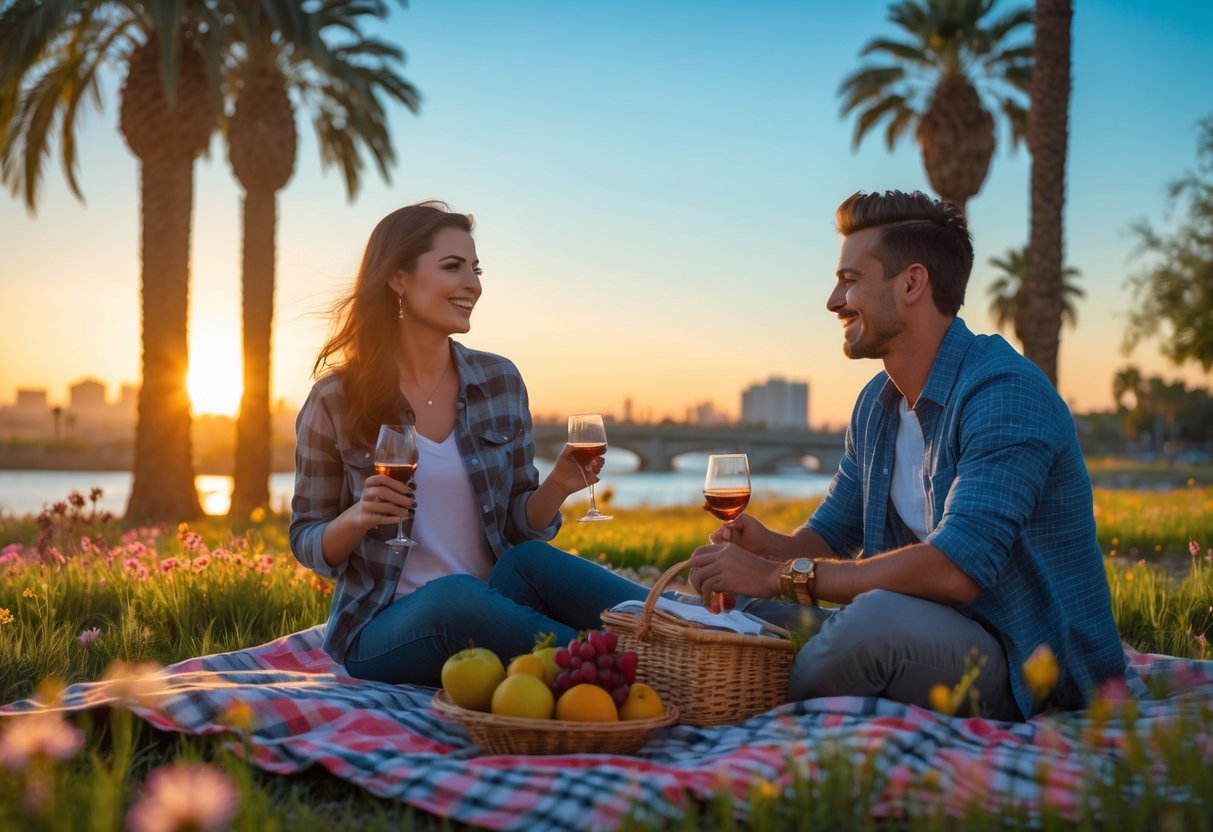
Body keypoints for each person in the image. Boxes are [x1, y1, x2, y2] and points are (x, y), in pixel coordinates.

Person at [687, 189, 1125, 721]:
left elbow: (954, 570)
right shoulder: (877, 404)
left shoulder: (1005, 392)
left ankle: (730, 700)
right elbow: (829, 538)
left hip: (1026, 661)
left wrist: (779, 576)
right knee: (735, 606)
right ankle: (705, 666)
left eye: (850, 281)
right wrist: (767, 550)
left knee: (874, 624)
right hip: (924, 628)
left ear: (912, 283)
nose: (833, 301)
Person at [289, 202, 648, 686]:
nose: (473, 283)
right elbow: (306, 538)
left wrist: (558, 487)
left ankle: (704, 630)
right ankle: (630, 669)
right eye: (452, 267)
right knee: (452, 597)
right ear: (398, 278)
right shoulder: (335, 399)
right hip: (385, 629)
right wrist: (358, 518)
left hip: (498, 607)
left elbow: (520, 528)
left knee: (530, 561)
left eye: (475, 269)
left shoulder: (500, 380)